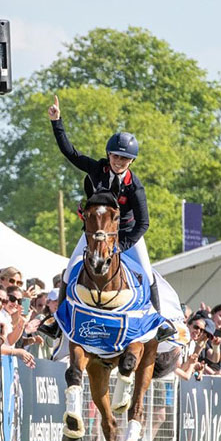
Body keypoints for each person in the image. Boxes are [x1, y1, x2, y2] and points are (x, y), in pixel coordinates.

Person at [47, 94, 163, 313]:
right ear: (108, 155)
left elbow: (144, 223)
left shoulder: (134, 187)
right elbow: (70, 153)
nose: (118, 162)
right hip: (95, 233)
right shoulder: (97, 169)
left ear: (132, 161)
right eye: (115, 156)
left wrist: (122, 245)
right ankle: (58, 320)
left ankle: (158, 320)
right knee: (69, 270)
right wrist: (57, 122)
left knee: (147, 275)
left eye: (124, 158)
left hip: (127, 235)